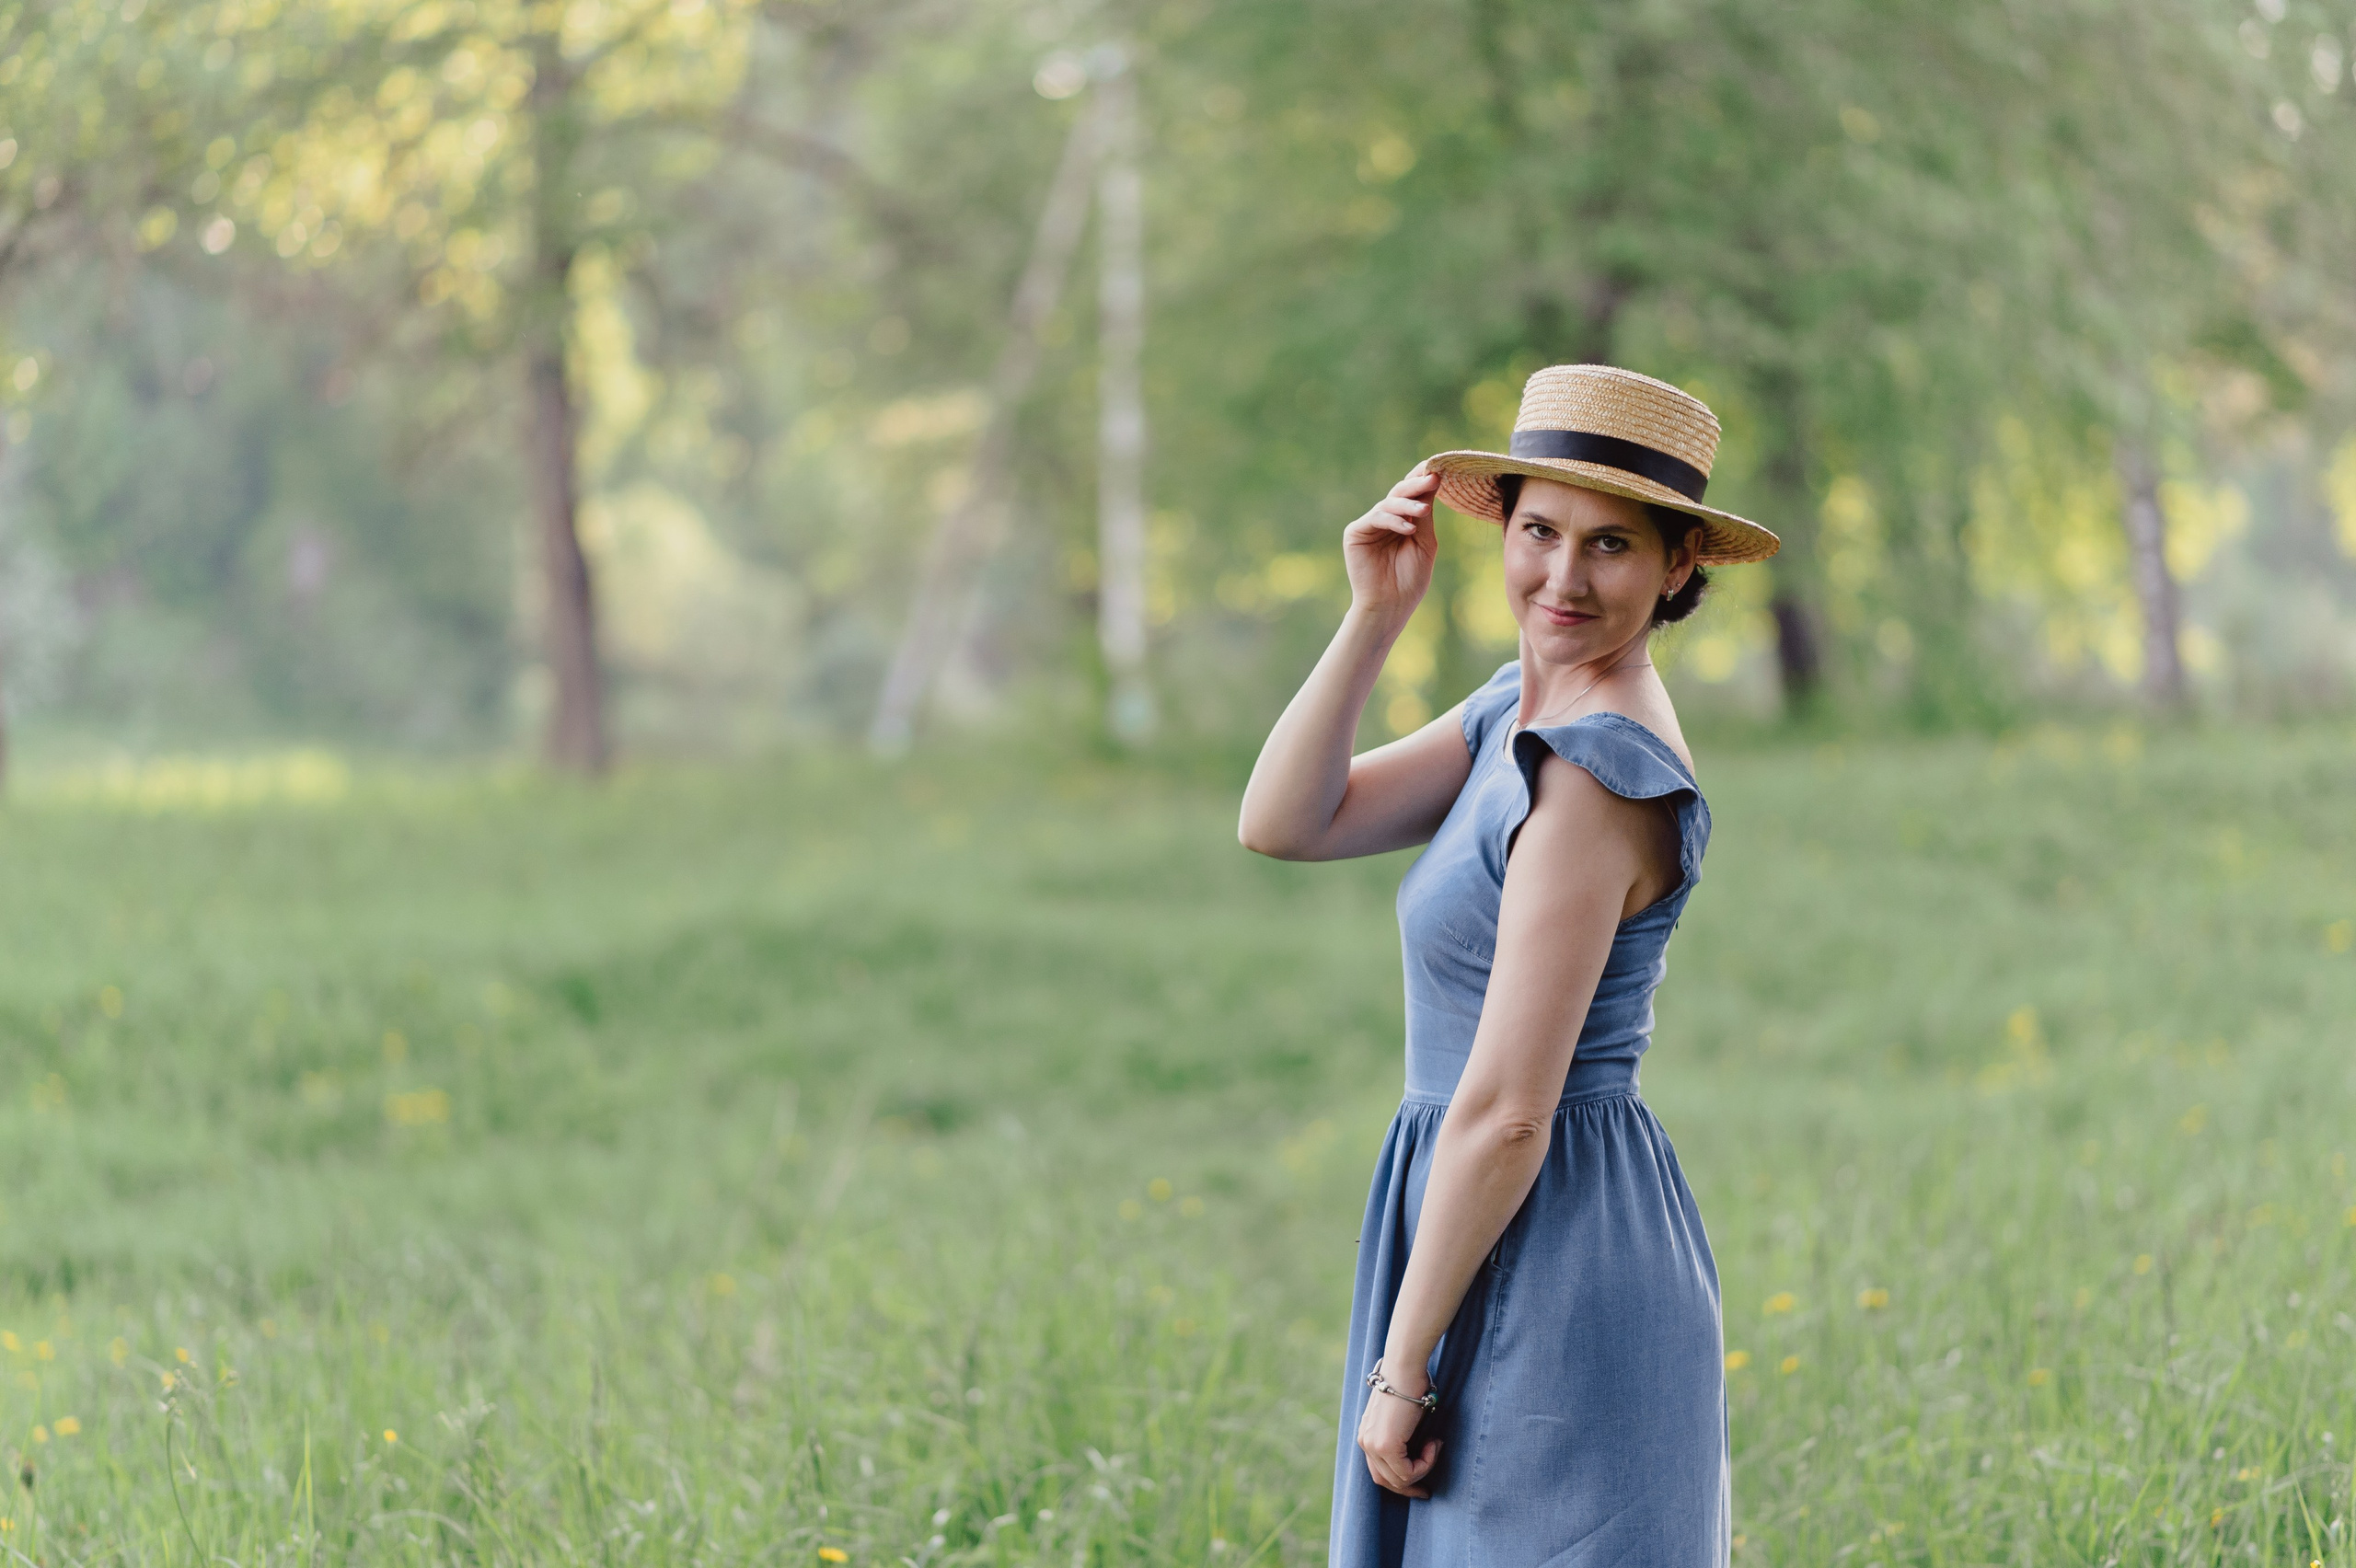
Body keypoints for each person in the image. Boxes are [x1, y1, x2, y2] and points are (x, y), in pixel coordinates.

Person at [1238, 365, 1781, 1567]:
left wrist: (1402, 1365)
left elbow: (1507, 1113)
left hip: (1553, 1242)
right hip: (1471, 1225)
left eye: (1613, 546)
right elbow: (1287, 820)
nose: (1564, 578)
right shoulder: (1514, 713)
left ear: (1680, 565)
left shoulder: (1594, 770)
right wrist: (1374, 617)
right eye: (1539, 532)